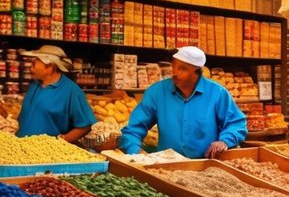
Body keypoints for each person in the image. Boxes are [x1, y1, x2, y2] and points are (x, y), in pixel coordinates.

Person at [118, 47, 246, 159]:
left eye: (182, 69)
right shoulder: (157, 92)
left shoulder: (217, 93)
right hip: (166, 167)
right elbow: (133, 129)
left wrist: (224, 141)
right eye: (174, 66)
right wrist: (136, 151)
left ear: (196, 72)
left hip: (206, 166)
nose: (175, 73)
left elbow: (237, 124)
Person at [16, 45, 94, 142]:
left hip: (45, 153)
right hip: (20, 148)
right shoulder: (34, 86)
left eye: (34, 65)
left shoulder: (71, 91)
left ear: (49, 67)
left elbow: (86, 125)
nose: (30, 69)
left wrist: (61, 141)